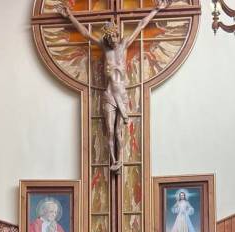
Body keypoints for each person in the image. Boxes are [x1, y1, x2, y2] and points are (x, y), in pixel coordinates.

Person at [56, 0, 170, 171]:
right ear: (107, 39)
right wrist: (70, 16)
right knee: (109, 131)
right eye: (110, 38)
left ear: (118, 35)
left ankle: (120, 160)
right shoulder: (105, 48)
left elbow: (141, 24)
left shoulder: (124, 45)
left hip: (122, 94)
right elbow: (86, 33)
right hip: (109, 94)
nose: (113, 40)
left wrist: (156, 9)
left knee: (118, 132)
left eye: (115, 37)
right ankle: (113, 160)